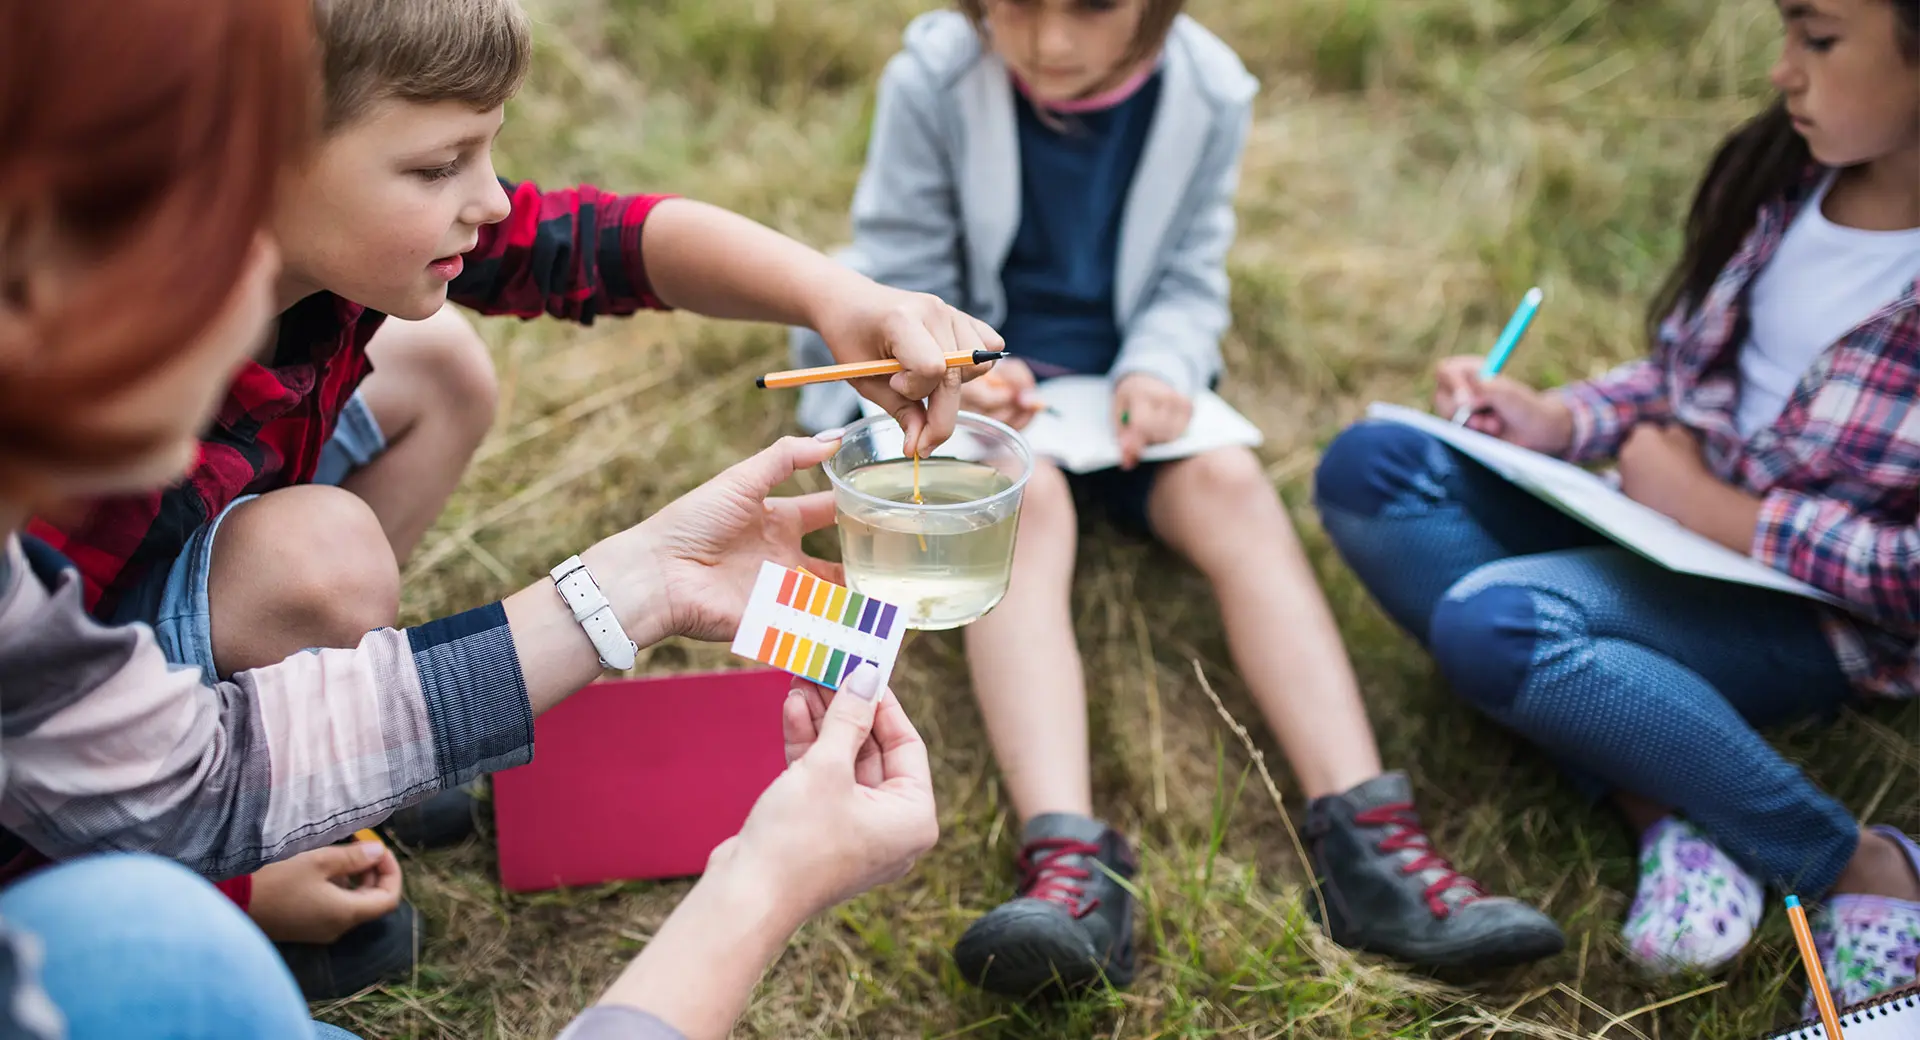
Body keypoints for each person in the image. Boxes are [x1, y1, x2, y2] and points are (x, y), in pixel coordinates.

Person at [24, 0, 999, 998]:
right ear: (250, 164)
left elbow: (593, 240)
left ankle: (344, 737)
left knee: (443, 362)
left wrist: (833, 297)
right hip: (99, 729)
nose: (489, 200)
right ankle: (270, 810)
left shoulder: (337, 242)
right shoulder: (73, 449)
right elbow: (42, 763)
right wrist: (234, 885)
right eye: (438, 166)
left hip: (130, 635)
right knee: (323, 559)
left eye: (487, 151)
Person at [789, 0, 1564, 997]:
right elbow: (892, 268)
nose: (1050, 40)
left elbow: (1191, 280)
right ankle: (1067, 864)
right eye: (1017, 4)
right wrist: (968, 366)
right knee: (1032, 508)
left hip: (1132, 406)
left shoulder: (1209, 89)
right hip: (993, 405)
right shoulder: (935, 76)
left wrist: (1160, 368)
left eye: (1091, 7)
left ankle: (1374, 847)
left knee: (1236, 487)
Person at [1313, 0, 1920, 1009]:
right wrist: (1558, 419)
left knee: (1498, 622)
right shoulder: (1786, 178)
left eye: (1818, 42)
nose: (1782, 73)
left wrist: (1713, 508)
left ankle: (1852, 865)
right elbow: (1689, 378)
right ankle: (1667, 799)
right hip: (1662, 529)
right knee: (1372, 466)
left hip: (1813, 614)